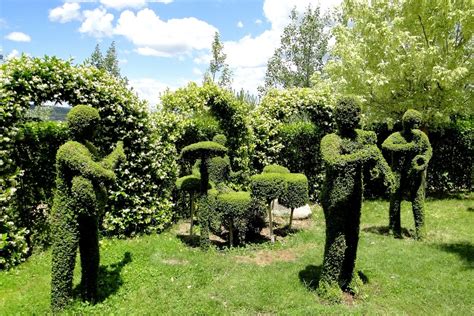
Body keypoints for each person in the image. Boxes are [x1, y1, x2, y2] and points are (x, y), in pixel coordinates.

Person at [51, 105, 125, 311]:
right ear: (82, 125)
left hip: (87, 213)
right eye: (93, 125)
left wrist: (117, 154)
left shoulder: (89, 147)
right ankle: (59, 304)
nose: (96, 129)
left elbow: (103, 164)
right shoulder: (68, 149)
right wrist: (108, 176)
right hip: (67, 214)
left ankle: (90, 294)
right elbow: (89, 168)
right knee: (64, 258)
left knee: (91, 254)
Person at [319, 98, 393, 298]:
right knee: (336, 239)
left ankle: (348, 276)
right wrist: (362, 156)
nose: (356, 117)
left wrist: (383, 172)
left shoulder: (361, 137)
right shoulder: (330, 140)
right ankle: (328, 282)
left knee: (353, 237)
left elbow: (374, 154)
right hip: (335, 198)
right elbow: (334, 161)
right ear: (340, 116)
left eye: (357, 113)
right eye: (352, 113)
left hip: (354, 197)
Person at [382, 109, 432, 240]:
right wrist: (408, 147)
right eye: (413, 124)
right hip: (398, 174)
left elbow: (428, 150)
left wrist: (424, 159)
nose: (415, 127)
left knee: (418, 201)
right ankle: (394, 229)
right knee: (395, 201)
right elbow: (385, 146)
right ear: (406, 123)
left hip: (416, 174)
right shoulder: (396, 136)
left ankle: (420, 231)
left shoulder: (421, 136)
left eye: (417, 124)